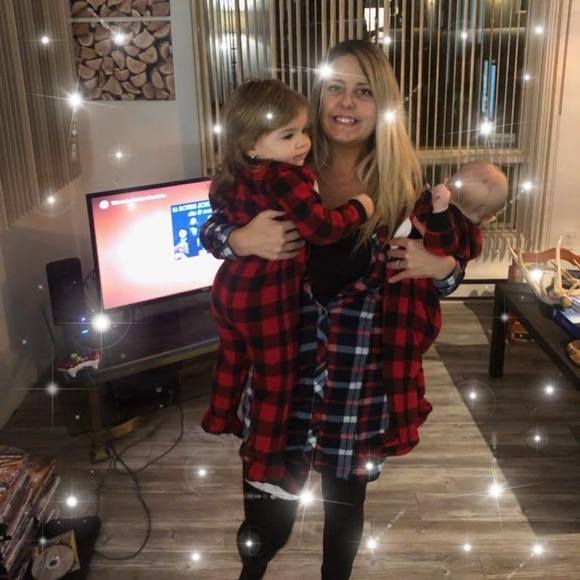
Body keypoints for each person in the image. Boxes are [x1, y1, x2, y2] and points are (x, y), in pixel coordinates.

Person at [201, 40, 482, 580]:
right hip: (282, 376)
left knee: (344, 512)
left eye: (364, 91)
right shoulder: (281, 160)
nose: (347, 103)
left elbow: (451, 272)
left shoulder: (406, 189)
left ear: (383, 106)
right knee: (265, 517)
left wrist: (440, 267)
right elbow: (212, 224)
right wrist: (236, 240)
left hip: (360, 384)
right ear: (319, 95)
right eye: (336, 87)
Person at [201, 78, 374, 488]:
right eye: (289, 135)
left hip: (230, 291)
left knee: (233, 357)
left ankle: (220, 416)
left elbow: (217, 211)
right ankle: (264, 464)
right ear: (252, 144)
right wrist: (360, 207)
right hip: (267, 298)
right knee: (273, 382)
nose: (302, 142)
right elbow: (321, 228)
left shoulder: (237, 175)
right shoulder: (287, 176)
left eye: (303, 132)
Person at [420, 160, 508, 259]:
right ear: (487, 220)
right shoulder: (473, 241)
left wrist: (440, 211)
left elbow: (440, 248)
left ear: (446, 182)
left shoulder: (468, 236)